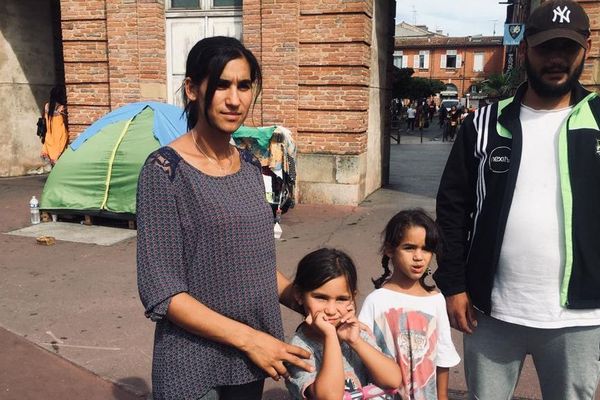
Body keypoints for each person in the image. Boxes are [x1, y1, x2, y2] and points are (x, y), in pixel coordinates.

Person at [435, 1, 600, 399]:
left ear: (587, 48)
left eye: (568, 47)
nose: (556, 59)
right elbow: (453, 208)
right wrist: (454, 285)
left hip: (581, 314)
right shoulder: (484, 123)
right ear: (525, 49)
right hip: (491, 310)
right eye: (546, 48)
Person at [136, 36, 313, 400]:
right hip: (193, 366)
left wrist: (305, 298)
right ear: (192, 89)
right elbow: (164, 292)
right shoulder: (164, 171)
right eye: (221, 85)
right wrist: (252, 341)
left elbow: (254, 263)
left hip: (251, 362)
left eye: (244, 86)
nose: (235, 99)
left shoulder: (249, 165)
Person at [359, 209, 460, 400]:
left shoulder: (435, 300)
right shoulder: (376, 300)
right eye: (409, 248)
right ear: (389, 249)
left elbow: (443, 354)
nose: (419, 257)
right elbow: (360, 352)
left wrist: (443, 396)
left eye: (426, 249)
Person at [285, 248, 402, 400]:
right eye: (320, 297)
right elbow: (330, 397)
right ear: (299, 295)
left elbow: (392, 380)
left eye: (341, 299)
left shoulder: (355, 334)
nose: (331, 310)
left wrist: (356, 341)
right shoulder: (299, 350)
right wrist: (330, 336)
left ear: (352, 298)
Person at [41, 85, 69, 165]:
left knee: (52, 153)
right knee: (59, 154)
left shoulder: (46, 106)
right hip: (61, 134)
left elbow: (43, 117)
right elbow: (66, 121)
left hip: (50, 133)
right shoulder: (62, 108)